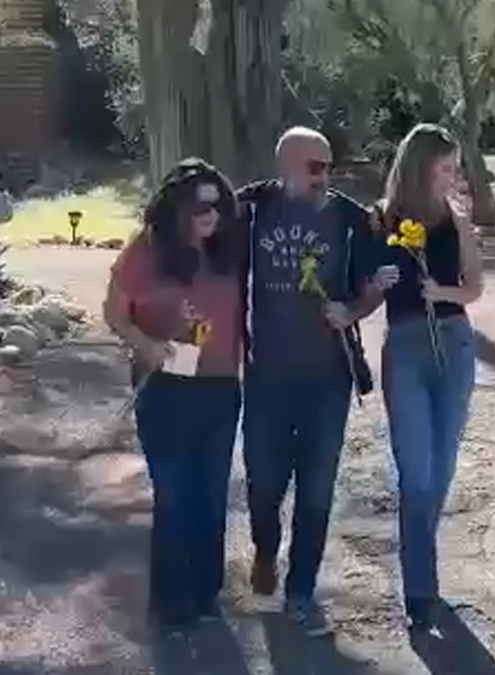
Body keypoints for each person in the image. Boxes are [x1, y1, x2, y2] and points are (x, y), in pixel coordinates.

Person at [237, 127, 382, 636]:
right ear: (288, 165)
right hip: (265, 376)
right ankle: (264, 547)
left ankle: (301, 591)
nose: (326, 176)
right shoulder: (251, 210)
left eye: (329, 167)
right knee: (263, 483)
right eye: (315, 166)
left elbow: (372, 285)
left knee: (316, 489)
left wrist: (354, 309)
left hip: (327, 379)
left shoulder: (349, 218)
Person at [103, 158, 243, 635]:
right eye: (201, 205)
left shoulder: (227, 248)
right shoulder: (146, 251)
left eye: (219, 203)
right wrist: (146, 344)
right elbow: (115, 313)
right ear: (177, 207)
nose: (212, 214)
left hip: (222, 388)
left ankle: (206, 595)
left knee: (210, 496)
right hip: (165, 391)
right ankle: (170, 602)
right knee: (175, 496)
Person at [367, 123, 483, 631]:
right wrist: (374, 282)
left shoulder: (457, 221)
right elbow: (368, 291)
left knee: (442, 470)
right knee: (416, 471)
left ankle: (422, 577)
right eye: (445, 168)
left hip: (454, 345)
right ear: (420, 168)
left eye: (456, 168)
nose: (454, 178)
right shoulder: (381, 219)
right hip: (406, 349)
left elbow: (474, 289)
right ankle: (421, 591)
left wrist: (445, 290)